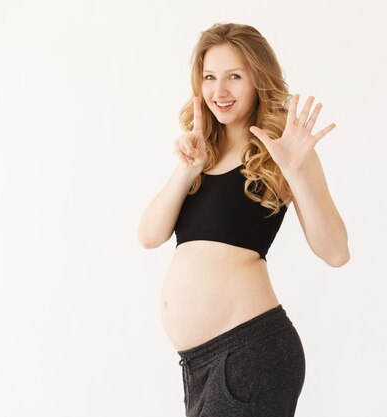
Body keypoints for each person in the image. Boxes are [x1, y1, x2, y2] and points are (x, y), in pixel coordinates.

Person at [138, 22, 349, 417]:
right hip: (199, 365)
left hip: (250, 351)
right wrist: (188, 169)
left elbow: (336, 252)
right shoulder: (201, 154)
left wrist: (297, 171)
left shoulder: (282, 151)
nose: (219, 91)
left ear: (258, 79)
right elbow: (150, 235)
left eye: (234, 76)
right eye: (210, 77)